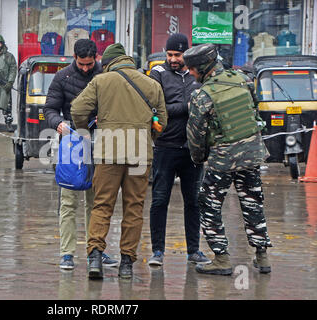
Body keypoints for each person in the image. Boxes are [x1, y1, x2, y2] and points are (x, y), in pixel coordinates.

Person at [71, 43, 167, 279]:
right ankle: (126, 263)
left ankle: (95, 258)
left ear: (108, 63)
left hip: (108, 152)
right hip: (140, 154)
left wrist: (86, 132)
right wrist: (147, 136)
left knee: (102, 205)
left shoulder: (101, 82)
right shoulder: (152, 84)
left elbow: (77, 110)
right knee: (134, 208)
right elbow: (162, 121)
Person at [184, 43, 272, 275]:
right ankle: (262, 257)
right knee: (253, 203)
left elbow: (196, 135)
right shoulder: (242, 79)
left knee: (209, 204)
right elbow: (254, 110)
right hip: (251, 154)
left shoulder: (202, 95)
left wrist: (199, 158)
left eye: (193, 69)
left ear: (203, 67)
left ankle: (221, 259)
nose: (190, 73)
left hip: (222, 159)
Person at [44, 39, 118, 270]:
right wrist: (57, 123)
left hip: (100, 143)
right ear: (74, 58)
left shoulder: (105, 75)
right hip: (72, 145)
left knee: (96, 202)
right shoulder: (62, 77)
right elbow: (49, 108)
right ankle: (67, 253)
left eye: (89, 64)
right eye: (81, 63)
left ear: (96, 57)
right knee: (68, 201)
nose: (85, 68)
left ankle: (95, 250)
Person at [147, 33, 210, 267]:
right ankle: (157, 251)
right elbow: (155, 107)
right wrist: (187, 106)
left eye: (178, 55)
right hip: (165, 147)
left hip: (192, 149)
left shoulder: (198, 75)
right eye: (170, 54)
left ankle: (194, 250)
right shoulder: (157, 74)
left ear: (187, 54)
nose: (173, 59)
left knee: (193, 201)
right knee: (159, 200)